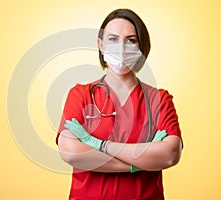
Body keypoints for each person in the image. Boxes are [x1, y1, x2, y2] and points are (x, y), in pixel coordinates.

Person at [56, 8, 183, 200]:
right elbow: (71, 153)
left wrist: (99, 145)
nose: (121, 48)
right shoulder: (80, 95)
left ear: (142, 47)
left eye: (131, 40)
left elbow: (169, 155)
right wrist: (139, 162)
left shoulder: (159, 100)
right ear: (101, 45)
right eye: (113, 39)